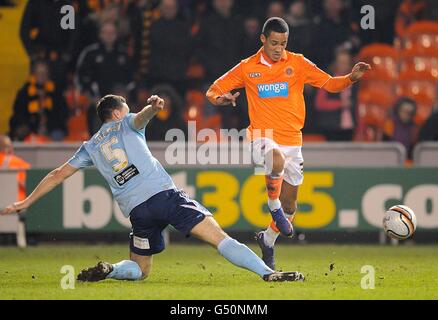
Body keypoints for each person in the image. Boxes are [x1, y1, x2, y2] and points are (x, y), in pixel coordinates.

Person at [0, 94, 304, 283]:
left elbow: (56, 174)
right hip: (165, 197)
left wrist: (26, 202)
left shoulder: (90, 145)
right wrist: (152, 107)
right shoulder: (127, 123)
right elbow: (142, 117)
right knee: (220, 239)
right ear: (118, 113)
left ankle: (111, 269)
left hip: (137, 213)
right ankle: (268, 273)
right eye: (127, 110)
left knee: (141, 270)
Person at [206, 17, 370, 269]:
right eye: (274, 43)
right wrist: (221, 99)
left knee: (291, 206)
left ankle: (268, 239)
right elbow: (213, 89)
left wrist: (350, 78)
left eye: (283, 43)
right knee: (275, 161)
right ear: (263, 40)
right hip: (261, 135)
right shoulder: (247, 67)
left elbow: (328, 83)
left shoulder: (298, 63)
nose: (278, 48)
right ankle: (273, 208)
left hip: (293, 140)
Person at [315, 48, 356, 141]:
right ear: (336, 63)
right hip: (331, 126)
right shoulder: (327, 79)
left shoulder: (355, 82)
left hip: (350, 127)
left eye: (346, 63)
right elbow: (319, 103)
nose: (344, 66)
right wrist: (340, 104)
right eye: (341, 63)